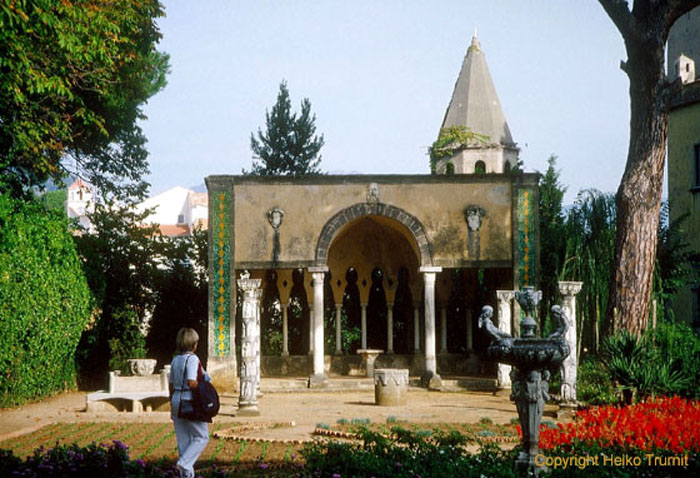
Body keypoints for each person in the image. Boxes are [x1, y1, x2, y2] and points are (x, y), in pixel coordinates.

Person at [169, 328, 210, 478]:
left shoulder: (175, 360)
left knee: (184, 443)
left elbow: (171, 385)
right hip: (189, 401)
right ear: (194, 344)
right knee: (202, 437)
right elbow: (192, 381)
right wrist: (204, 389)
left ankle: (186, 473)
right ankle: (183, 464)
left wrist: (171, 404)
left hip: (176, 400)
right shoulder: (193, 359)